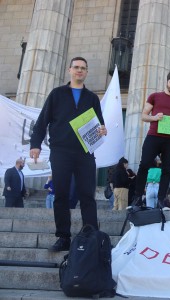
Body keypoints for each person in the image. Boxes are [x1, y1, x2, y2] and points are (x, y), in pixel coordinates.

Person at [30, 57, 107, 252]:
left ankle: (91, 235)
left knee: (87, 195)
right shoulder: (57, 94)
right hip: (61, 151)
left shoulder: (92, 98)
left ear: (86, 72)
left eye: (83, 68)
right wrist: (35, 144)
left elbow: (99, 123)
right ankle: (63, 237)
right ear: (69, 70)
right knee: (61, 195)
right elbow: (42, 121)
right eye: (76, 67)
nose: (79, 71)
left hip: (85, 152)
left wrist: (102, 130)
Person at [133, 71, 170, 208]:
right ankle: (138, 196)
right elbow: (144, 116)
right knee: (144, 164)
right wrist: (155, 117)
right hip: (153, 136)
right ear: (167, 81)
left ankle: (162, 199)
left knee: (167, 170)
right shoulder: (154, 96)